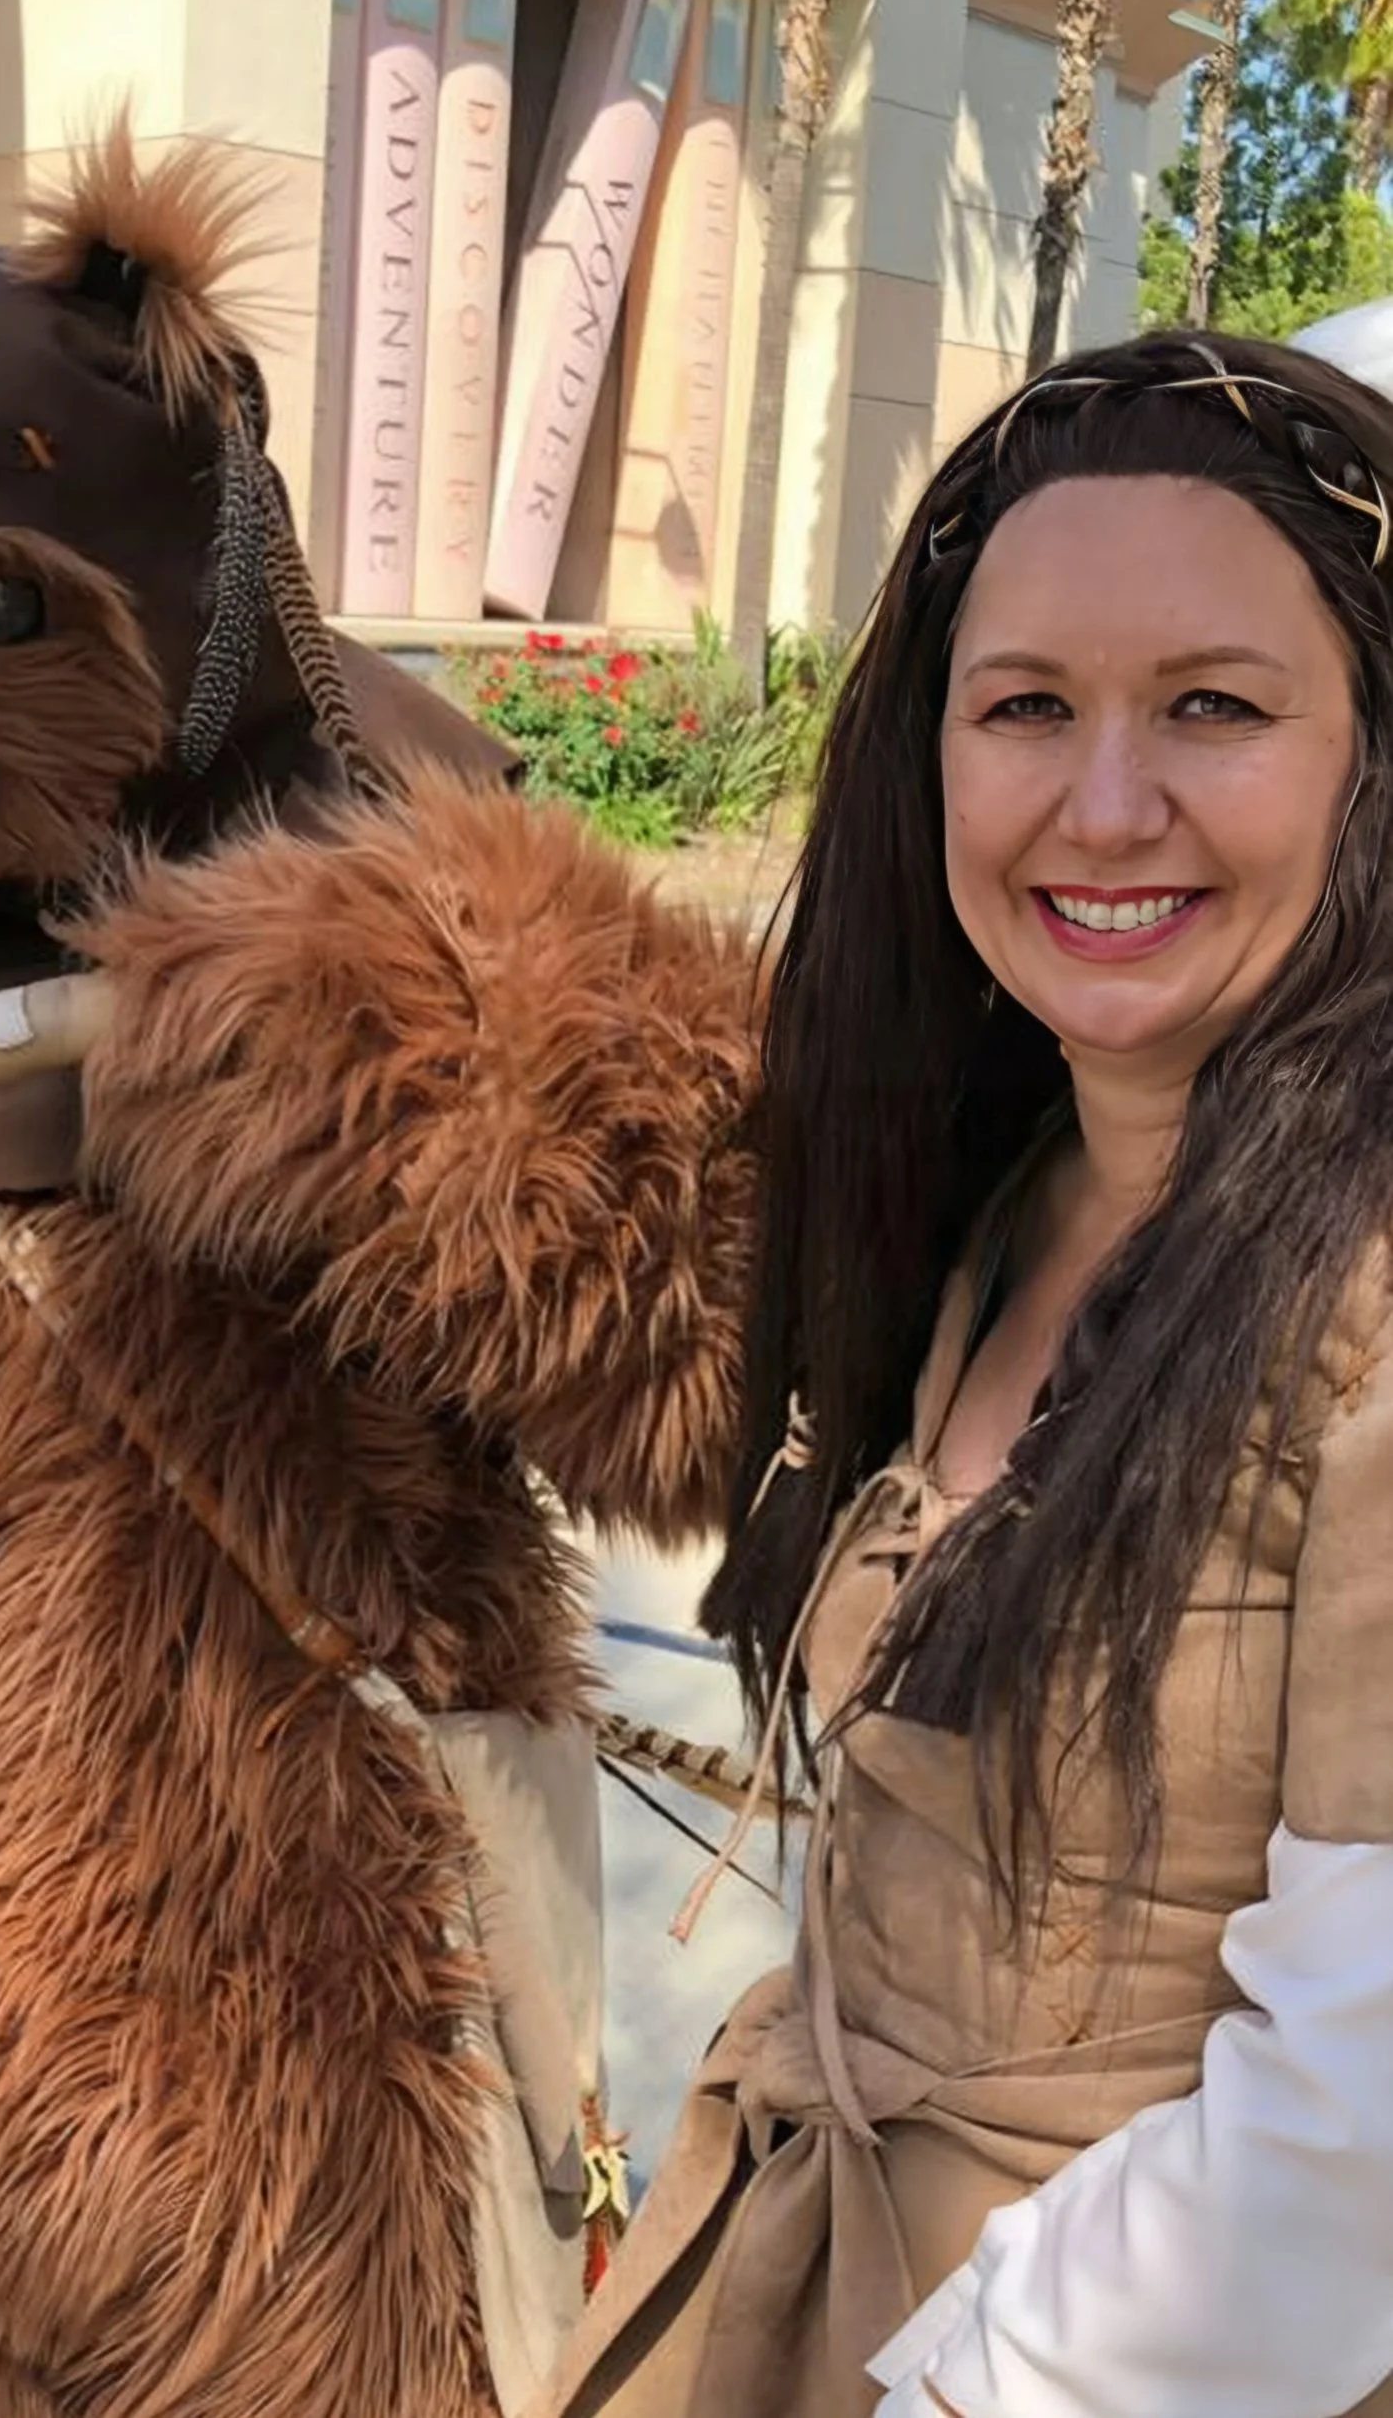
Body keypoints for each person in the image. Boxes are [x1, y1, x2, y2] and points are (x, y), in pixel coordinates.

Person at [528, 326, 1393, 2418]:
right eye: (1023, 707)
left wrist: (964, 2380)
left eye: (1211, 704)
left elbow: (1355, 2129)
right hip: (814, 2288)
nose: (1103, 803)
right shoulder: (1001, 1194)